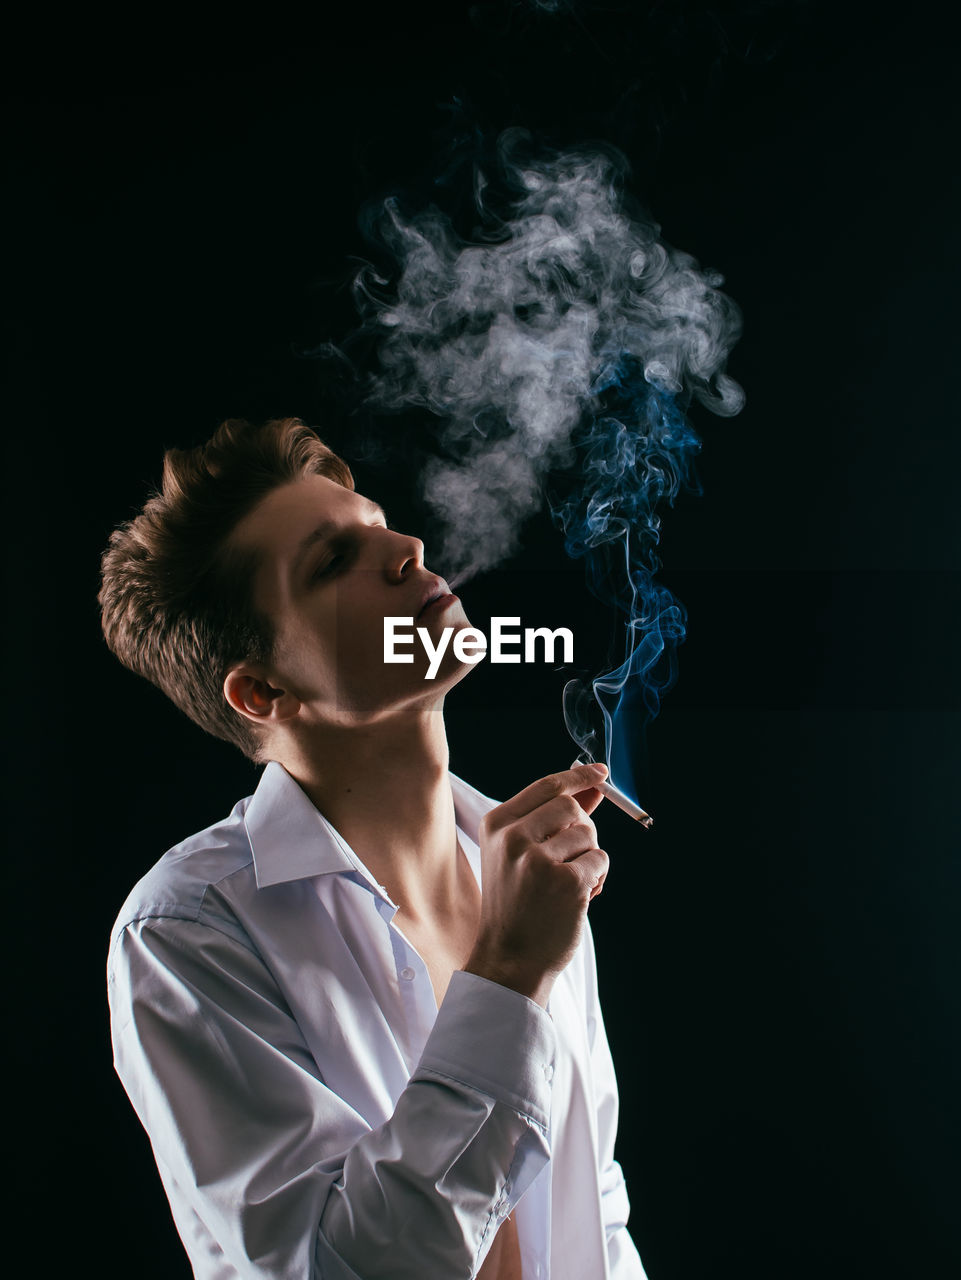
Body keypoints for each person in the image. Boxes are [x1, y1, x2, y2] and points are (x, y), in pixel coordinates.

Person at [100, 416, 647, 1280]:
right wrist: (504, 975)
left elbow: (593, 1210)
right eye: (330, 562)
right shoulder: (187, 934)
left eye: (377, 522)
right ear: (262, 691)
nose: (404, 546)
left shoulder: (526, 881)